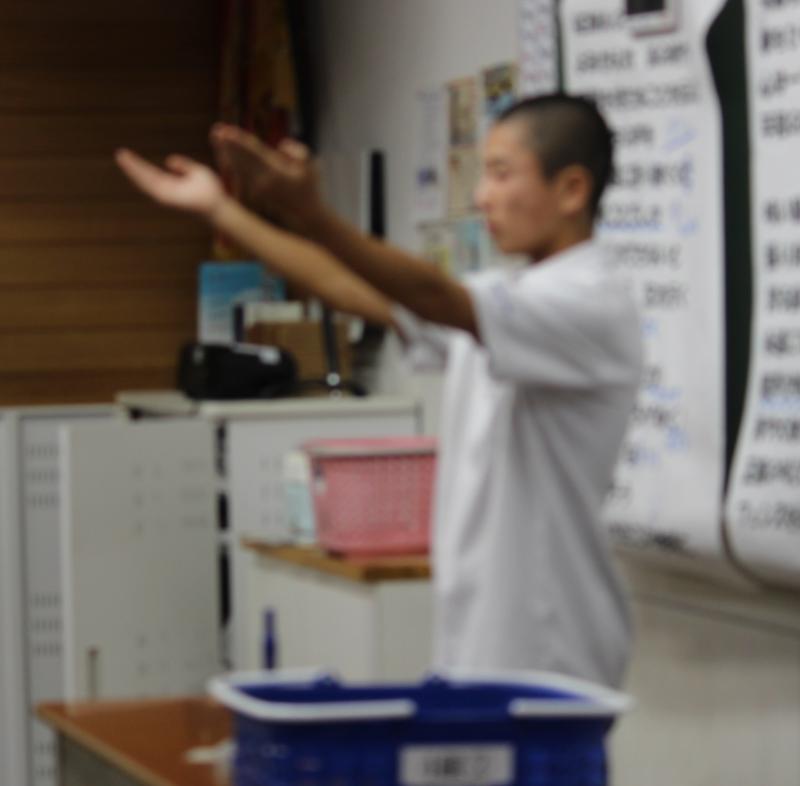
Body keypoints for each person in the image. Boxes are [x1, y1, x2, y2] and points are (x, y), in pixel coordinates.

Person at [115, 93, 643, 688]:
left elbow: (432, 295)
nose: (481, 196)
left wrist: (314, 214)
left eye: (501, 174)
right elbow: (347, 286)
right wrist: (221, 210)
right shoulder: (512, 300)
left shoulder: (587, 302)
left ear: (571, 190)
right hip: (483, 639)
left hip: (550, 646)